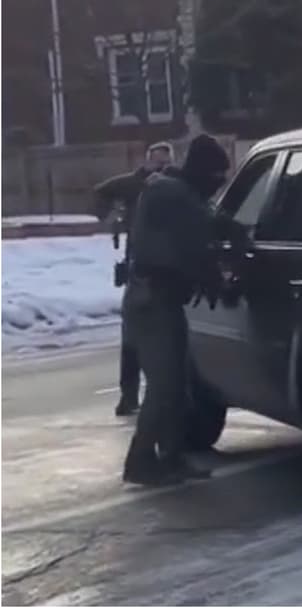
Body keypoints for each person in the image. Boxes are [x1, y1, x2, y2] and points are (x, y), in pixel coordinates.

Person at [122, 135, 229, 486]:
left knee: (177, 384)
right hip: (152, 301)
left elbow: (205, 223)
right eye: (216, 176)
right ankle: (140, 461)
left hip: (162, 300)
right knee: (164, 386)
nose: (218, 184)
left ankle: (172, 457)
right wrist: (215, 279)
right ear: (201, 171)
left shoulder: (179, 193)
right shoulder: (172, 194)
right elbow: (196, 239)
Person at [92, 141, 175, 416]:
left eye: (165, 163)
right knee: (133, 337)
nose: (160, 168)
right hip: (138, 269)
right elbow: (102, 192)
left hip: (167, 270)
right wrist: (109, 216)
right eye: (157, 162)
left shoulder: (174, 186)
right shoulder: (133, 184)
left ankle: (161, 393)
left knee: (165, 336)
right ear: (148, 161)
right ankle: (129, 395)